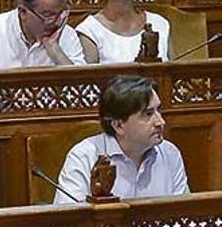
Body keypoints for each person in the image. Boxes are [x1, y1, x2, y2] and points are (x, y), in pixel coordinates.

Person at [55, 75, 189, 204]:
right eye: (148, 114)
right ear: (118, 126)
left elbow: (185, 215)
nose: (160, 122)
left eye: (158, 111)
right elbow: (66, 223)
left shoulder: (170, 153)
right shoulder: (84, 158)